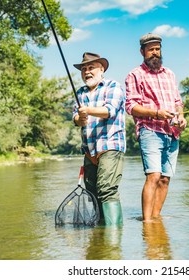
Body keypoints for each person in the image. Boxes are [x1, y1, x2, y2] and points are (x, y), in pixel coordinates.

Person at [125, 33, 187, 222]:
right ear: (142, 51)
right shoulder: (135, 74)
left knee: (165, 178)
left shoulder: (170, 74)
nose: (155, 53)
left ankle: (155, 218)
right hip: (150, 130)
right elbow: (131, 107)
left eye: (157, 49)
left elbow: (178, 102)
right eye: (150, 49)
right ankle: (147, 222)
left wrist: (181, 117)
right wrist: (157, 113)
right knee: (154, 175)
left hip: (172, 132)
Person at [72, 52, 126, 226]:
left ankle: (112, 239)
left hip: (110, 144)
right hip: (89, 150)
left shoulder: (113, 86)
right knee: (93, 193)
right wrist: (78, 119)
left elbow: (110, 110)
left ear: (101, 69)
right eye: (84, 69)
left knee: (107, 190)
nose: (87, 71)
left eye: (91, 67)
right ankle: (100, 237)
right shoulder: (79, 92)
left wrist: (87, 110)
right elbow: (75, 117)